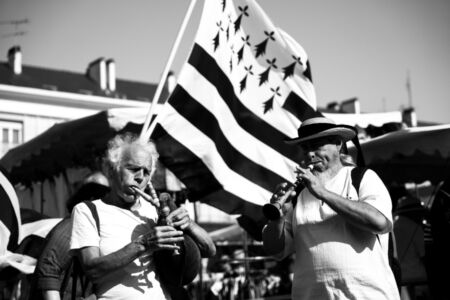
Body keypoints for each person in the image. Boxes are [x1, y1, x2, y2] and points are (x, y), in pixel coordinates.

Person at [262, 117, 400, 300]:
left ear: (337, 144)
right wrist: (277, 219)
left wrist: (323, 193)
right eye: (305, 148)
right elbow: (276, 251)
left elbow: (380, 222)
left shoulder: (362, 177)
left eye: (317, 146)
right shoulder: (299, 194)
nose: (310, 154)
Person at [70, 133, 216, 299]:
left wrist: (188, 223)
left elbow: (209, 250)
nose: (140, 177)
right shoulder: (88, 211)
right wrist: (143, 244)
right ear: (112, 170)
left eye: (146, 172)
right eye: (133, 169)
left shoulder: (159, 209)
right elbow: (92, 270)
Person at [32, 172, 110, 300]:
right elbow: (48, 270)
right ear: (90, 198)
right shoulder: (74, 224)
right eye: (101, 195)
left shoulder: (99, 227)